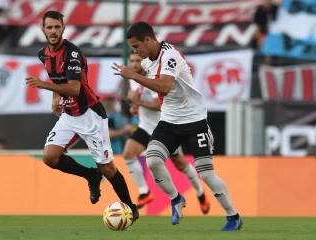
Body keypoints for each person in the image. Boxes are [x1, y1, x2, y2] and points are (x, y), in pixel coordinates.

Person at [112, 21, 242, 230]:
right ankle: (176, 198)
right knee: (153, 161)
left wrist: (133, 76)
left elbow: (164, 85)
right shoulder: (147, 63)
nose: (135, 52)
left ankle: (233, 216)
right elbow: (152, 86)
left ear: (148, 40)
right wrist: (137, 94)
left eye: (137, 47)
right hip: (169, 122)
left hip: (194, 121)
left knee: (206, 173)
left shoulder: (170, 55)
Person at [25, 11, 139, 222]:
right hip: (69, 115)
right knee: (50, 157)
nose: (53, 31)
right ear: (43, 30)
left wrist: (44, 85)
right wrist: (54, 96)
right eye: (49, 27)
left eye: (56, 27)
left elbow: (75, 88)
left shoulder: (72, 54)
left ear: (63, 28)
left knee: (107, 168)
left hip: (90, 116)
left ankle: (131, 207)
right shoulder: (43, 54)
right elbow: (57, 78)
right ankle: (90, 175)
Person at [124, 51, 210, 214]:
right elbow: (139, 100)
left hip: (164, 128)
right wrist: (134, 107)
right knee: (128, 154)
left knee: (181, 164)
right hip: (145, 126)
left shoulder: (154, 79)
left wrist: (138, 102)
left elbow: (160, 104)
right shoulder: (133, 79)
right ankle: (144, 192)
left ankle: (200, 193)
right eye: (132, 61)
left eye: (137, 60)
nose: (134, 64)